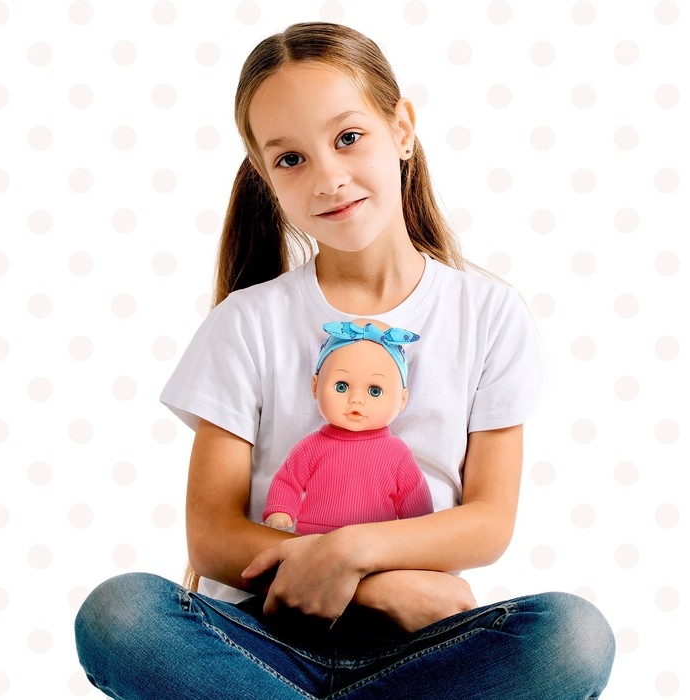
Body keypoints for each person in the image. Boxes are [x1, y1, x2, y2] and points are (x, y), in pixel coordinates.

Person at [74, 21, 615, 699]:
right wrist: (379, 588)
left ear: (402, 129)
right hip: (261, 641)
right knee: (120, 613)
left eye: (348, 137)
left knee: (573, 635)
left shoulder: (489, 314)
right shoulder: (247, 321)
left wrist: (351, 553)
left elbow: (488, 521)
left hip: (420, 649)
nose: (328, 177)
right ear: (265, 177)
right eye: (290, 159)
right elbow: (212, 537)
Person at [262, 319, 434, 534]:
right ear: (315, 386)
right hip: (313, 539)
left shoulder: (398, 455)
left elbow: (415, 500)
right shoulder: (310, 447)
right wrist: (280, 511)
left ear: (402, 399)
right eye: (341, 387)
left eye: (375, 391)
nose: (356, 399)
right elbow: (288, 482)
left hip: (375, 543)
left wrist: (420, 533)